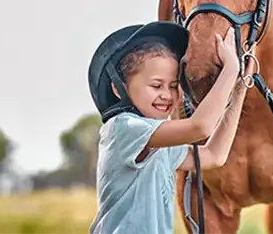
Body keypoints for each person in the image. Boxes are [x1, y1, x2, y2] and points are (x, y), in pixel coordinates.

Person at [86, 21, 247, 234]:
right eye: (156, 85)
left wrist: (239, 89)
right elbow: (200, 127)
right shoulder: (124, 128)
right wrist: (230, 69)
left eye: (173, 86)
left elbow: (213, 155)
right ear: (118, 89)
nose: (167, 95)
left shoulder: (160, 145)